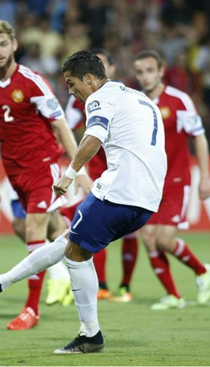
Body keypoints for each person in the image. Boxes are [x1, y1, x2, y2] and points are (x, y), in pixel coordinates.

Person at [0, 50, 168, 354]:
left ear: (89, 79)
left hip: (119, 191)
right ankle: (0, 282)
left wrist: (70, 173)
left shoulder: (99, 98)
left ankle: (90, 335)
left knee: (74, 252)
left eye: (73, 84)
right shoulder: (140, 98)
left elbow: (94, 136)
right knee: (70, 243)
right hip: (147, 199)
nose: (72, 92)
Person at [0, 20, 91, 330]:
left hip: (43, 166)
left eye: (3, 44)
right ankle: (69, 266)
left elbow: (60, 124)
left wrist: (75, 168)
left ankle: (31, 309)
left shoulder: (32, 82)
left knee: (31, 228)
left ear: (14, 45)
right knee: (53, 230)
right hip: (14, 171)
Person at [133, 50, 210, 310]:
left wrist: (205, 176)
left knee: (164, 239)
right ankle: (173, 295)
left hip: (176, 178)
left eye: (149, 70)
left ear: (161, 70)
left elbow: (198, 137)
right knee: (148, 238)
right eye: (140, 72)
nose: (145, 76)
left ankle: (202, 271)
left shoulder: (179, 100)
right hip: (148, 182)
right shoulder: (137, 103)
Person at [63, 49, 139, 302]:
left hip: (122, 172)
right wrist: (81, 170)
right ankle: (103, 284)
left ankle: (124, 286)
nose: (72, 90)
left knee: (102, 229)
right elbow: (64, 128)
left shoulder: (122, 97)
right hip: (97, 171)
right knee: (89, 227)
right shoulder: (79, 102)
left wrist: (70, 173)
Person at [0, 156, 75, 307]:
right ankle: (62, 276)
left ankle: (42, 298)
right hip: (17, 169)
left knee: (38, 228)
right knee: (47, 230)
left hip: (39, 166)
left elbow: (61, 132)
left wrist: (78, 171)